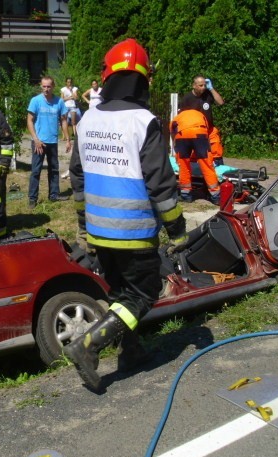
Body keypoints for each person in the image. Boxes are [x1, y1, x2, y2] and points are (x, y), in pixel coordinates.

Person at [65, 38, 188, 391]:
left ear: (106, 77)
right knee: (143, 293)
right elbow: (160, 183)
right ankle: (87, 346)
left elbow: (77, 177)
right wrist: (177, 230)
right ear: (143, 80)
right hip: (133, 232)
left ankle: (131, 351)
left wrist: (84, 227)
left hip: (100, 231)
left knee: (121, 294)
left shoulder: (87, 120)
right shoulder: (145, 121)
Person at [26, 76, 72, 208]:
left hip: (52, 141)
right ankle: (32, 198)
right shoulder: (35, 101)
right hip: (39, 142)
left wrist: (68, 139)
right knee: (36, 170)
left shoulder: (59, 102)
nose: (46, 89)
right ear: (41, 86)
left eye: (49, 86)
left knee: (54, 169)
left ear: (53, 87)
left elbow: (63, 120)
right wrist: (36, 139)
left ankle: (54, 195)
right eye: (44, 86)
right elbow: (29, 120)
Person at [170, 107, 220, 205]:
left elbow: (172, 133)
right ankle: (215, 196)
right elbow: (207, 131)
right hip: (200, 133)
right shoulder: (200, 114)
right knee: (206, 164)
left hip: (182, 135)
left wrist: (177, 148)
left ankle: (186, 195)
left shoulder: (178, 117)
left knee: (183, 165)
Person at [179, 75, 225, 166]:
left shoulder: (207, 94)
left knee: (216, 151)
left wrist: (211, 89)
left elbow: (221, 102)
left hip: (209, 130)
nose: (203, 87)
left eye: (204, 85)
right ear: (194, 85)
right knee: (194, 155)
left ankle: (219, 170)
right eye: (200, 85)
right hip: (195, 132)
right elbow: (181, 117)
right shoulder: (187, 99)